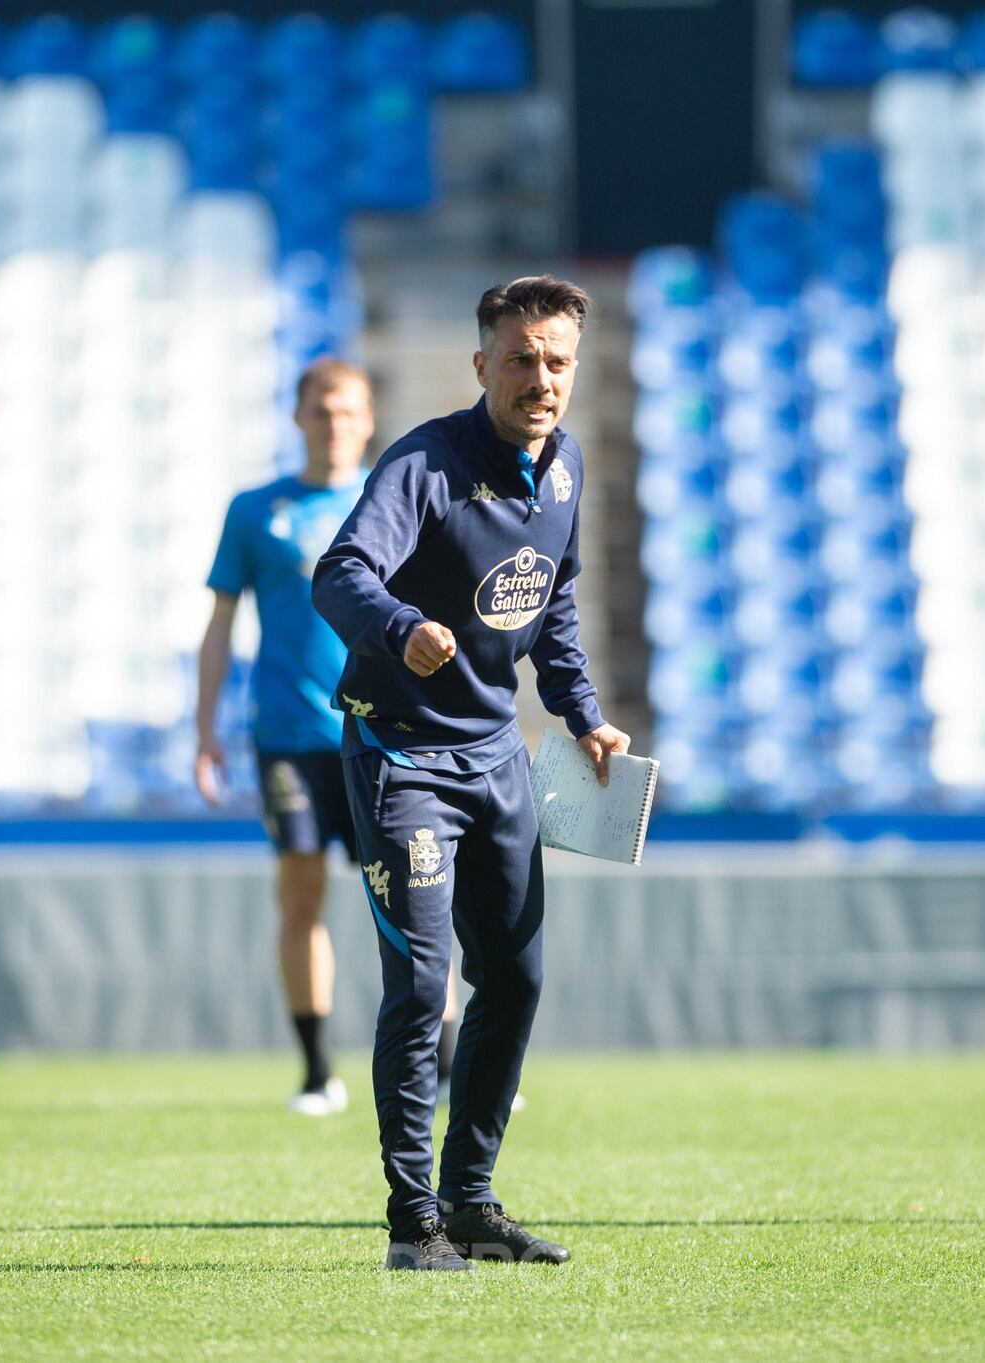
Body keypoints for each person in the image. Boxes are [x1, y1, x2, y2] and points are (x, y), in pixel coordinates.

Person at [312, 275, 629, 1271]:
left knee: (518, 977)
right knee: (419, 984)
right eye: (522, 358)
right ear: (481, 362)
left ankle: (472, 1199)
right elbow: (340, 573)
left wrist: (581, 716)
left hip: (496, 755)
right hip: (401, 753)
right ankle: (415, 1220)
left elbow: (557, 604)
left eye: (558, 361)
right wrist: (401, 628)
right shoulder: (425, 464)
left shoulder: (566, 467)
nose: (541, 378)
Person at [197, 357, 376, 1116]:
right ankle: (315, 1069)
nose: (334, 423)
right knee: (300, 892)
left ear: (368, 420)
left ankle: (440, 1058)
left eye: (348, 411)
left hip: (384, 734)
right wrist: (206, 728)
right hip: (290, 736)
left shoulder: (393, 498)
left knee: (416, 895)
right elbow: (220, 623)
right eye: (321, 410)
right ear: (299, 417)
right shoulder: (255, 509)